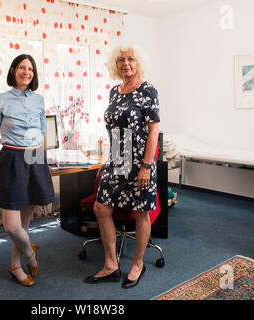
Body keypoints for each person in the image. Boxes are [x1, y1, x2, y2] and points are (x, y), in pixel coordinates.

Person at [83, 44, 160, 289]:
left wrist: (146, 166)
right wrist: (108, 160)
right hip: (117, 157)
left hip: (139, 161)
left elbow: (153, 131)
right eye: (121, 60)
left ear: (138, 63)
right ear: (115, 65)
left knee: (140, 212)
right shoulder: (114, 92)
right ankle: (111, 265)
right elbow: (114, 130)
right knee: (101, 208)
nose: (126, 64)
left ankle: (138, 263)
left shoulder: (148, 90)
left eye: (131, 59)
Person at [0, 54, 55, 287]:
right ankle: (30, 253)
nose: (26, 72)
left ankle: (16, 266)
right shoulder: (0, 99)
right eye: (22, 67)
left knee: (24, 225)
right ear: (13, 71)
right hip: (11, 157)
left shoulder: (39, 99)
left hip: (35, 157)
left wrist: (45, 163)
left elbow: (42, 133)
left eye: (30, 68)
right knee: (11, 226)